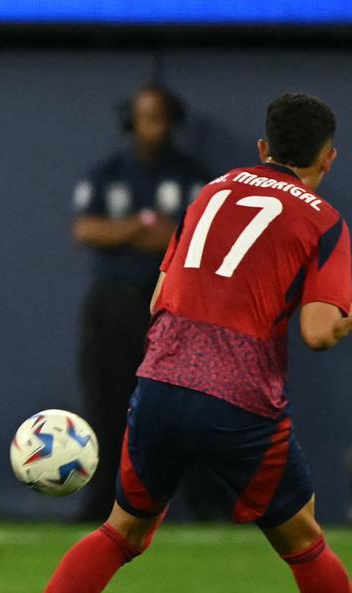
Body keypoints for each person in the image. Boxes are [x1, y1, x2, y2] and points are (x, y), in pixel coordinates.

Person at [0, 93, 352, 593]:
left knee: (120, 532)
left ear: (263, 149)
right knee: (304, 542)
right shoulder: (323, 221)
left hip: (159, 382)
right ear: (328, 159)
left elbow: (160, 298)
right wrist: (344, 321)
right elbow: (316, 333)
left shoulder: (210, 191)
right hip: (239, 400)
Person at [71, 83, 215, 521]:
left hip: (175, 306)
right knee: (108, 404)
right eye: (142, 116)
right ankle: (102, 502)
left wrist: (167, 237)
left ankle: (200, 504)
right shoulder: (108, 173)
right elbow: (85, 229)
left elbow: (206, 237)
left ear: (172, 122)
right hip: (114, 304)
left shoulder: (193, 177)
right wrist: (135, 229)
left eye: (158, 117)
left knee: (186, 405)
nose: (149, 127)